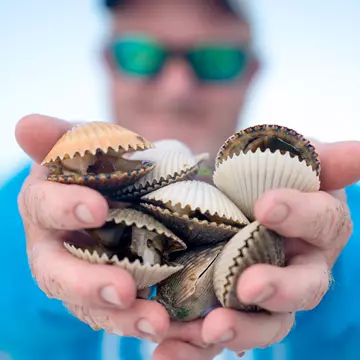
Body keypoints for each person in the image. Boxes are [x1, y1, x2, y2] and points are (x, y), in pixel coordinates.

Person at [3, 0, 360, 359]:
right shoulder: (15, 204)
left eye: (215, 60)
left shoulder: (341, 211)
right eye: (140, 55)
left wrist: (331, 274)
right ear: (108, 62)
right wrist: (52, 256)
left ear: (251, 72)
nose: (177, 88)